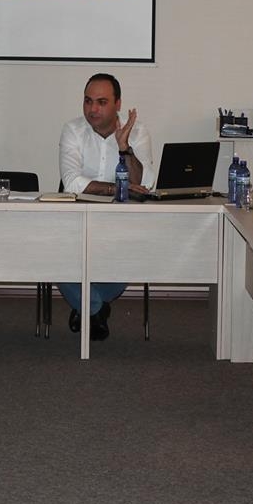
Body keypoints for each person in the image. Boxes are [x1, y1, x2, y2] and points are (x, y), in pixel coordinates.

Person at [57, 73, 156, 340]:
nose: (93, 109)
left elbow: (145, 183)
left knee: (127, 256)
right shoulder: (73, 130)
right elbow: (72, 183)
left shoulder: (138, 132)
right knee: (56, 253)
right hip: (75, 220)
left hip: (120, 222)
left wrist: (124, 148)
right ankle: (95, 308)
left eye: (101, 102)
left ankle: (86, 305)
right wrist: (117, 188)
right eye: (88, 101)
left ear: (118, 104)